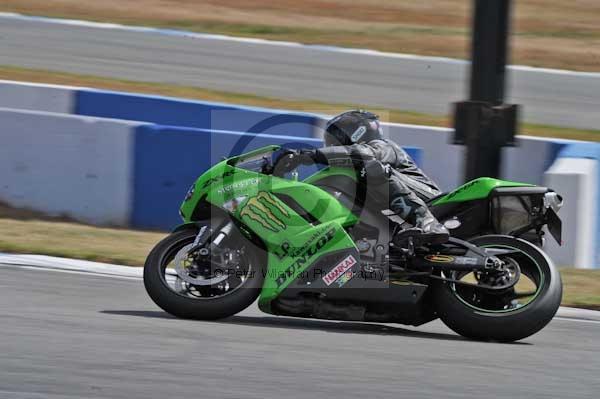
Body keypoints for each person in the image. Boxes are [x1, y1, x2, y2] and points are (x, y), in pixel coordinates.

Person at [278, 110, 449, 245]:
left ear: (355, 134)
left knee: (368, 167)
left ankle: (427, 222)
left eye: (336, 139)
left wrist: (309, 156)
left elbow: (361, 155)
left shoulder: (383, 146)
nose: (331, 145)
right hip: (400, 210)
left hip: (431, 201)